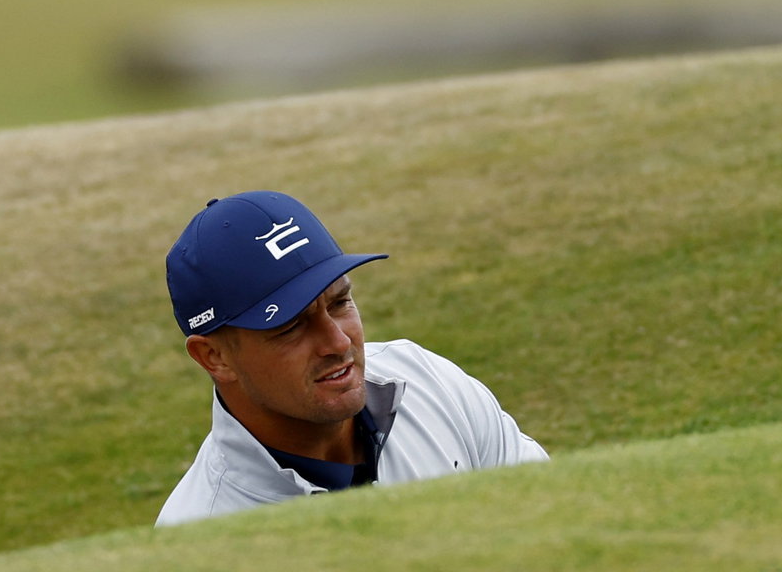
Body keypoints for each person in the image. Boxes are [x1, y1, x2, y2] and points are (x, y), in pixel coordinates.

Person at [156, 190, 548, 526]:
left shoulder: (430, 381)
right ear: (214, 356)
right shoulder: (198, 532)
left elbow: (554, 520)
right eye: (291, 326)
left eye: (340, 302)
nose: (338, 342)